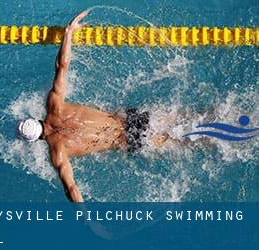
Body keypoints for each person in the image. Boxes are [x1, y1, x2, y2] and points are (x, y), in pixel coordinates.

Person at [17, 11, 169, 202]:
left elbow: (71, 189)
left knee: (187, 141)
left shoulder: (58, 152)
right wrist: (68, 33)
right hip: (131, 118)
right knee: (185, 118)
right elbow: (62, 66)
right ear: (35, 119)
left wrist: (88, 221)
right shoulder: (54, 105)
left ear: (35, 140)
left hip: (130, 140)